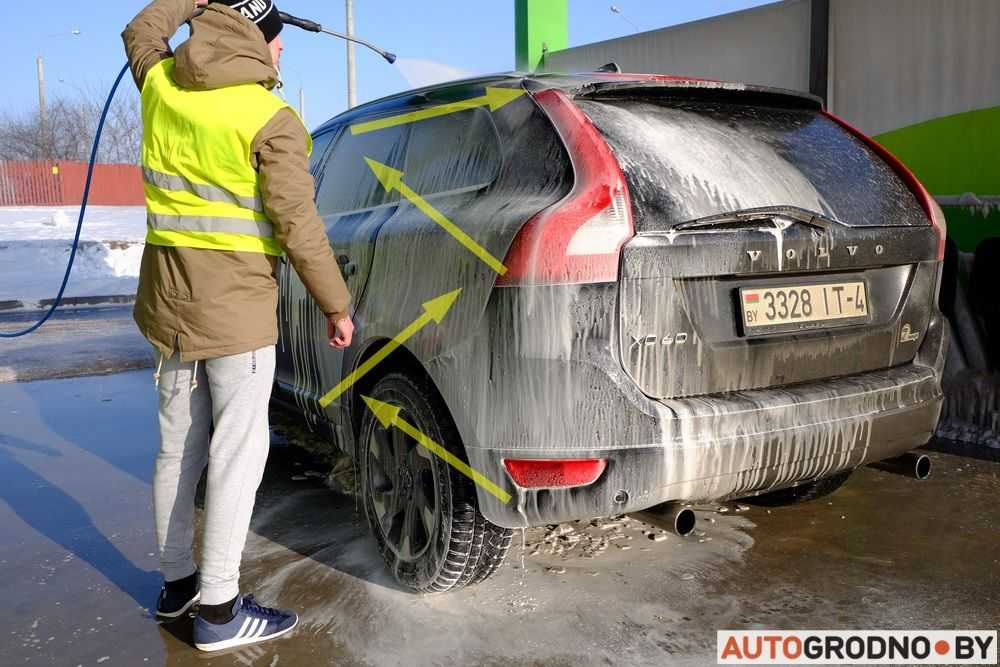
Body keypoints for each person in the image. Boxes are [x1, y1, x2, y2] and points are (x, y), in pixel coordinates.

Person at [122, 0, 353, 652]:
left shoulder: (162, 85)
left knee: (179, 450)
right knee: (235, 456)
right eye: (276, 42)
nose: (281, 54)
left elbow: (141, 31)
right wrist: (336, 306)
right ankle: (219, 609)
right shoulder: (269, 118)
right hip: (237, 319)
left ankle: (177, 591)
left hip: (168, 309)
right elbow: (299, 228)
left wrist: (197, 0)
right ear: (260, 42)